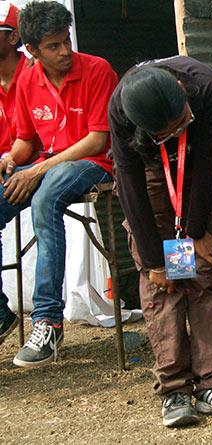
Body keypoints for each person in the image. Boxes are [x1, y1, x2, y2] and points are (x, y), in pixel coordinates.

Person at [109, 56, 212, 427]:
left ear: (183, 94)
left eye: (182, 119)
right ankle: (174, 389)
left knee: (203, 274)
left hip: (200, 174)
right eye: (168, 129)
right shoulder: (121, 108)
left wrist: (194, 232)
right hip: (155, 179)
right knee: (165, 284)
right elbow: (131, 187)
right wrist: (156, 260)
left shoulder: (206, 85)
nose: (181, 126)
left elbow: (207, 160)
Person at [0, 1, 116, 366]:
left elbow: (98, 140)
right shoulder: (27, 82)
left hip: (94, 164)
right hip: (46, 165)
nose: (65, 51)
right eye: (53, 46)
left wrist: (35, 169)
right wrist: (12, 160)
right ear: (31, 50)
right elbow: (26, 141)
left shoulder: (97, 69)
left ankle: (48, 319)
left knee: (46, 194)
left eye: (66, 40)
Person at [0, 2, 32, 346]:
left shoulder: (35, 74)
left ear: (12, 37)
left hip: (36, 168)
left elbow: (35, 138)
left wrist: (10, 157)